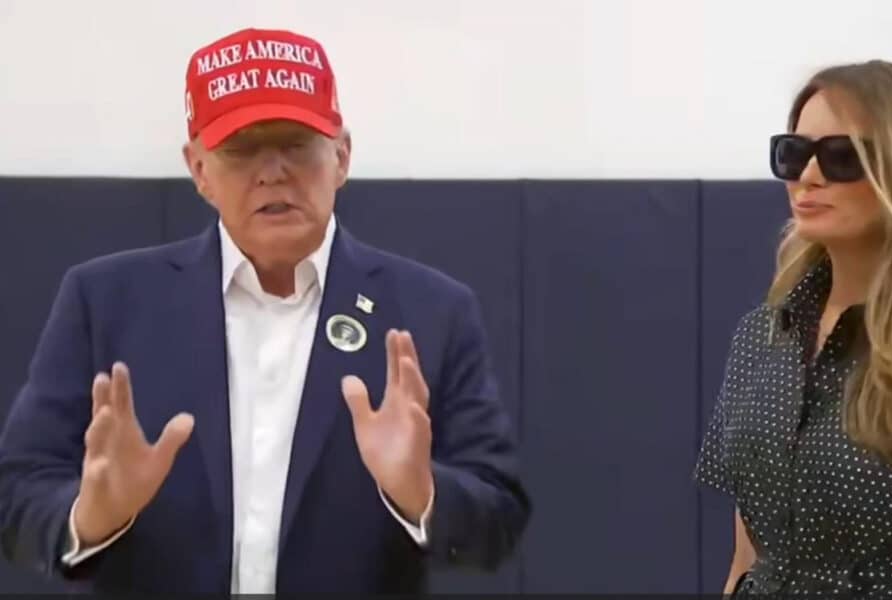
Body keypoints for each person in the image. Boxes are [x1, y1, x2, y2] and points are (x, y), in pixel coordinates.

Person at [0, 27, 530, 594]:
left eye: (296, 144)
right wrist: (90, 515)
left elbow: (497, 516)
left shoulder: (433, 311)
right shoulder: (102, 301)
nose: (273, 172)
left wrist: (420, 492)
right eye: (241, 148)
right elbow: (17, 495)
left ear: (342, 156)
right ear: (200, 170)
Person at [695, 60, 892, 595]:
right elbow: (747, 560)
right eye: (793, 153)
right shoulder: (761, 337)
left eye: (841, 157)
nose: (808, 176)